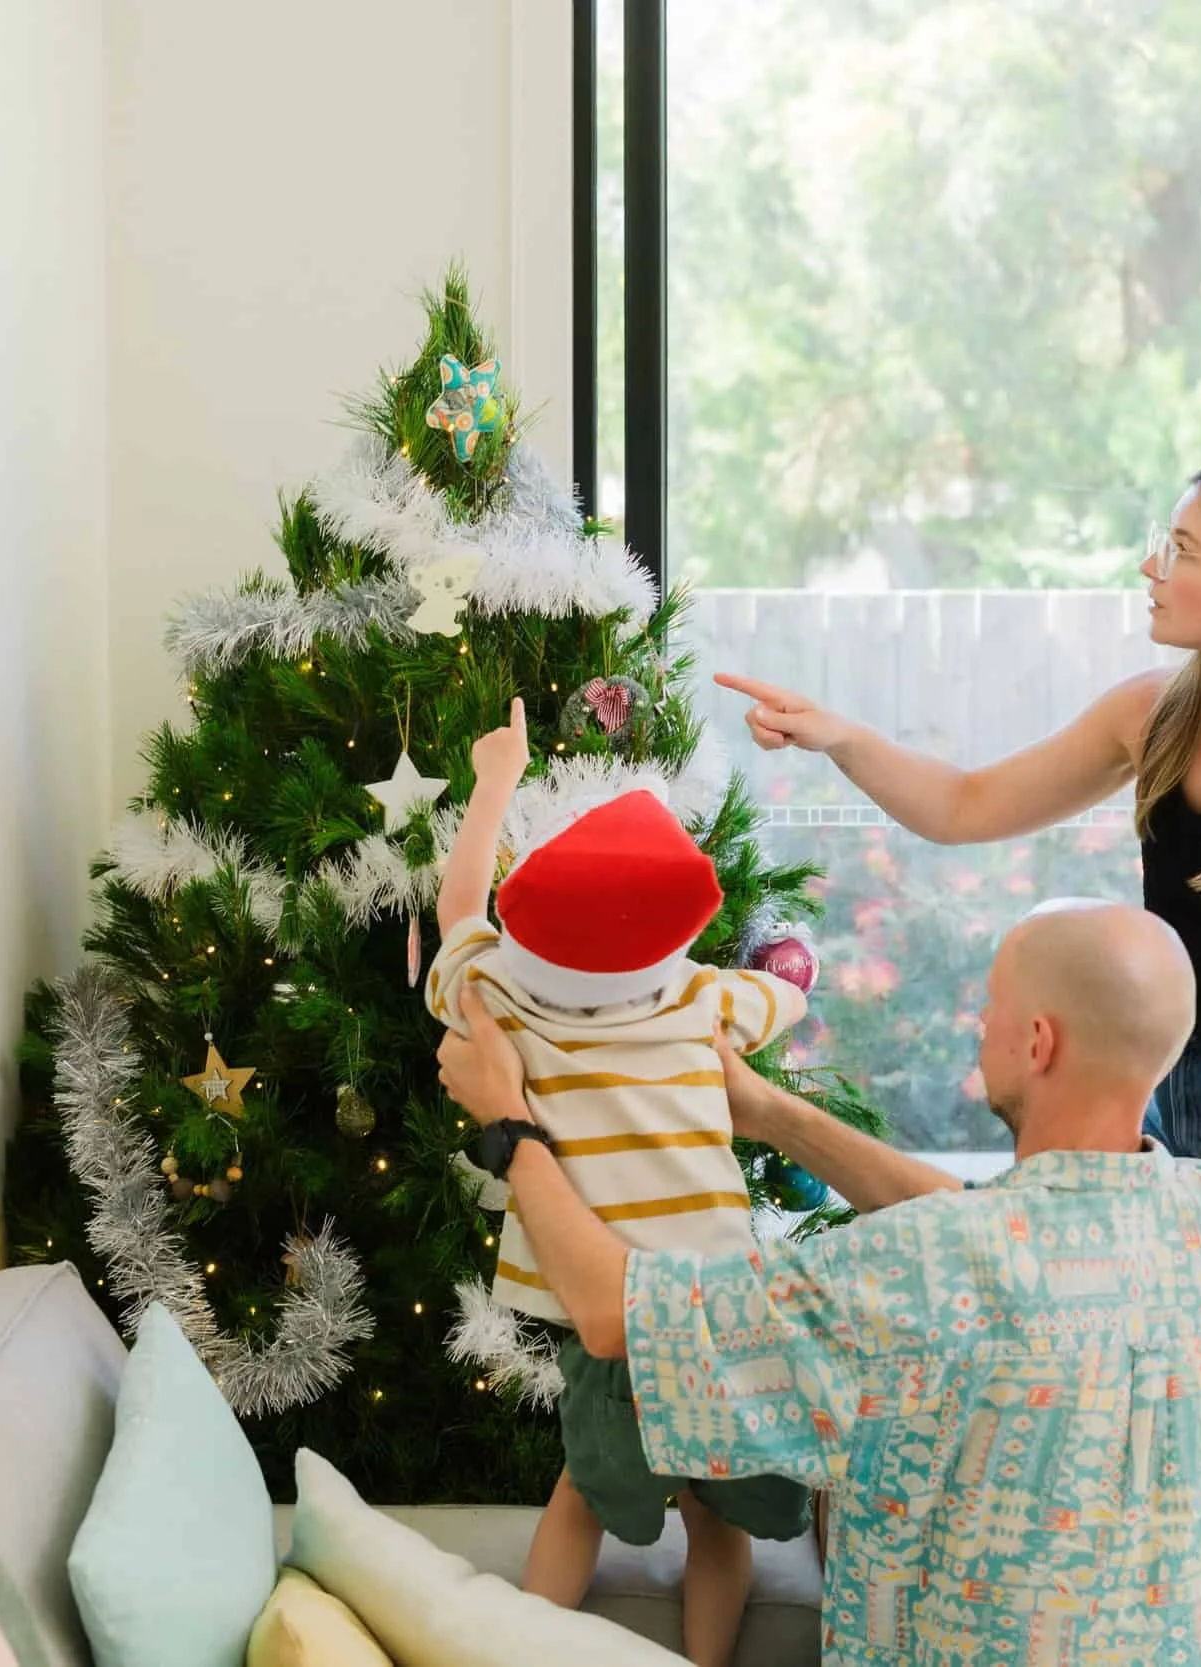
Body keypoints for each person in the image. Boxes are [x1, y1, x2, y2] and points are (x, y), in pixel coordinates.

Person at [713, 452, 1201, 1665]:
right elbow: (960, 804)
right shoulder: (1152, 715)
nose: (1153, 566)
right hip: (1176, 1105)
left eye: (1186, 548)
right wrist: (840, 738)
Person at [438, 898, 1201, 1665]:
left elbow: (613, 1315)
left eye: (991, 1006)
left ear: (1038, 1042)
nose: (977, 1022)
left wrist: (511, 1125)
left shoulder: (906, 1273)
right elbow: (1009, 1230)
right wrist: (769, 1111)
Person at [426, 698, 812, 1667]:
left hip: (599, 1296)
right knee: (712, 1512)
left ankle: (520, 1646)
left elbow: (457, 907)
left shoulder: (492, 994)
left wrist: (495, 785)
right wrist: (792, 967)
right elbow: (782, 991)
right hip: (713, 1298)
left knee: (579, 1491)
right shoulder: (694, 993)